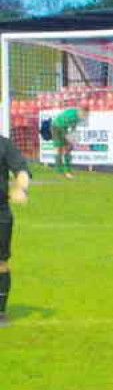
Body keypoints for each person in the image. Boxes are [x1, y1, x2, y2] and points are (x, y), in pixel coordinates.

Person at [0, 135, 30, 327]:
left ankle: (0, 312)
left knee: (1, 262)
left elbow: (22, 170)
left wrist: (21, 188)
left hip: (0, 211)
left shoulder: (4, 144)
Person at [50, 104, 88, 178]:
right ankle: (59, 171)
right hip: (56, 127)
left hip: (64, 129)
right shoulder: (71, 115)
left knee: (68, 149)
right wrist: (68, 139)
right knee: (59, 149)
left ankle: (68, 171)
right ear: (80, 111)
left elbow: (73, 128)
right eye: (83, 113)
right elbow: (63, 126)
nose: (84, 115)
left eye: (85, 114)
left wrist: (72, 140)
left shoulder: (79, 117)